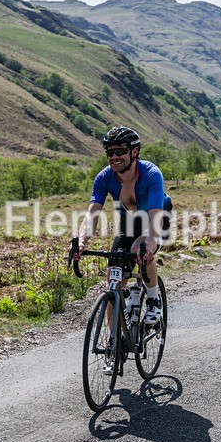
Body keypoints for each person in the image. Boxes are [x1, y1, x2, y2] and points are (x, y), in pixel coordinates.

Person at [74, 126, 172, 330]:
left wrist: (149, 244)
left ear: (134, 151)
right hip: (129, 223)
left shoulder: (151, 174)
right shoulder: (104, 178)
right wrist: (81, 241)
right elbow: (92, 214)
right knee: (114, 276)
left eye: (120, 151)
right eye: (110, 152)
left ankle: (153, 300)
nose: (114, 157)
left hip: (156, 218)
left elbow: (155, 218)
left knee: (139, 251)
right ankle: (114, 339)